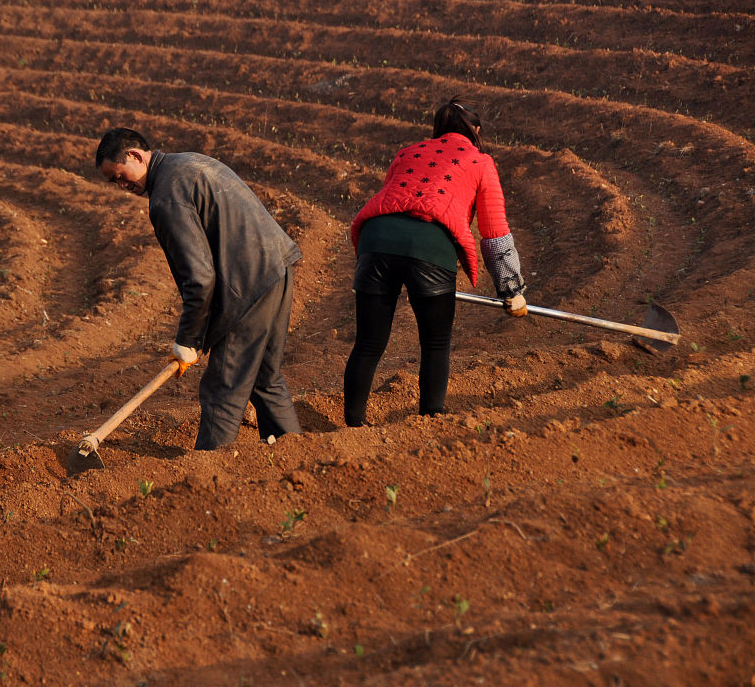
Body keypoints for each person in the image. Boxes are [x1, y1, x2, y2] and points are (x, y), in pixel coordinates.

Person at [95, 128, 303, 449]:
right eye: (115, 182)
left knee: (222, 389)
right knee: (265, 377)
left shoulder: (166, 198)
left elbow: (199, 278)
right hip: (277, 266)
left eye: (120, 176)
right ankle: (295, 456)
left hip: (246, 289)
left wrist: (187, 340)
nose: (123, 186)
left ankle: (207, 476)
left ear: (136, 156)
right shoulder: (189, 162)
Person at [344, 98, 528, 427]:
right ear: (477, 131)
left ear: (438, 130)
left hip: (377, 239)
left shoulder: (407, 152)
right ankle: (430, 422)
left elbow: (394, 196)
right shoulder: (480, 161)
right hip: (430, 245)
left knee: (369, 342)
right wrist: (511, 289)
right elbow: (494, 231)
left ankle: (352, 426)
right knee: (435, 342)